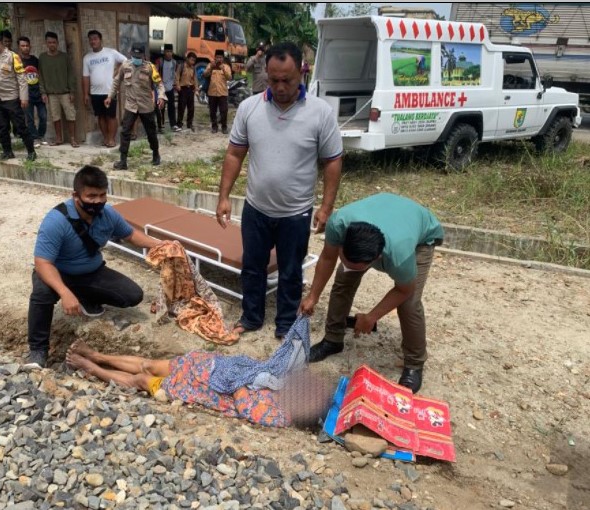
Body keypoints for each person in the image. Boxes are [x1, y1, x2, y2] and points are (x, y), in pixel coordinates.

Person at [215, 42, 343, 340]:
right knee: (252, 267)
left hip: (295, 213)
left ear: (301, 72)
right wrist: (223, 197)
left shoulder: (320, 113)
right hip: (256, 208)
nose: (280, 86)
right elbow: (235, 154)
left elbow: (332, 161)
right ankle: (251, 317)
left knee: (290, 272)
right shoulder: (250, 108)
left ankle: (285, 324)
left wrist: (326, 207)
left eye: (287, 80)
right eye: (274, 80)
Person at [299, 193, 445, 394]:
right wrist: (312, 296)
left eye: (358, 266)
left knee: (409, 304)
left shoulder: (400, 254)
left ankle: (414, 362)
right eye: (345, 257)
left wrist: (372, 317)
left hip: (421, 235)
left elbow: (404, 289)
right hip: (384, 213)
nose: (351, 266)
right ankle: (332, 340)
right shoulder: (338, 224)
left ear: (377, 259)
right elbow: (327, 258)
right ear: (343, 243)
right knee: (344, 277)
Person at [25, 165, 163, 369]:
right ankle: (38, 350)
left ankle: (86, 297)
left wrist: (161, 246)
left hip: (91, 271)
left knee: (132, 295)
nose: (97, 201)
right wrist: (64, 292)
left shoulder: (108, 213)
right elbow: (43, 262)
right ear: (76, 195)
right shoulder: (56, 221)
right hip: (57, 272)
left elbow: (131, 235)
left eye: (102, 195)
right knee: (41, 295)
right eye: (91, 196)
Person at [65, 337, 333, 428]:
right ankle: (96, 355)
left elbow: (243, 401)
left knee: (142, 380)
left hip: (202, 391)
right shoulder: (290, 383)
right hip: (207, 367)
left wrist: (250, 380)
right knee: (150, 363)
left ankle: (88, 366)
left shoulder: (279, 416)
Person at [0, 31, 36, 161]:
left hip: (11, 98)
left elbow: (22, 78)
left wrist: (24, 97)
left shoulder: (12, 57)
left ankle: (31, 151)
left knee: (20, 127)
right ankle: (7, 151)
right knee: (0, 127)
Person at [106, 43, 164, 168]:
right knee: (125, 132)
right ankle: (123, 161)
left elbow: (159, 84)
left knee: (151, 132)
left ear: (143, 55)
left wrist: (161, 96)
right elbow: (116, 81)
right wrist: (110, 96)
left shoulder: (150, 67)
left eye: (139, 56)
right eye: (134, 55)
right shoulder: (125, 66)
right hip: (130, 106)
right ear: (130, 53)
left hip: (146, 106)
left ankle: (156, 154)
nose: (136, 58)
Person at [82, 30, 126, 148]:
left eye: (95, 38)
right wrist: (86, 94)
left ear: (100, 40)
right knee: (100, 116)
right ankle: (106, 138)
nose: (93, 41)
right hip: (95, 92)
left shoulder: (111, 52)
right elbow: (86, 77)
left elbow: (126, 61)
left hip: (110, 91)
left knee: (111, 116)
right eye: (91, 39)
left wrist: (117, 70)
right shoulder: (87, 58)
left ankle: (112, 139)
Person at [38, 31, 79, 147]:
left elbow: (71, 74)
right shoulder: (42, 57)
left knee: (71, 115)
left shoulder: (64, 57)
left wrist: (72, 91)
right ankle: (59, 138)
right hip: (51, 93)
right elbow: (40, 76)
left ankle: (72, 139)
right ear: (46, 43)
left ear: (58, 43)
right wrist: (43, 92)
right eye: (49, 42)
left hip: (65, 92)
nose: (52, 44)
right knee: (55, 116)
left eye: (54, 42)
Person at [17, 36, 47, 146]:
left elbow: (41, 76)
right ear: (19, 47)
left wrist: (43, 92)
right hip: (26, 94)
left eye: (27, 45)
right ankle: (34, 138)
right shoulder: (17, 62)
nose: (25, 48)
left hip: (38, 92)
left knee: (43, 116)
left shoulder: (35, 60)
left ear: (30, 46)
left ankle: (41, 135)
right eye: (22, 46)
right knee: (29, 118)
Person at [203, 49, 231, 134]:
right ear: (215, 57)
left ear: (223, 58)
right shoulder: (210, 65)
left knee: (224, 111)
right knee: (212, 111)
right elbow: (204, 75)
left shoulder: (226, 66)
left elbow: (229, 77)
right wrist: (210, 68)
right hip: (212, 92)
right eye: (217, 57)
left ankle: (224, 127)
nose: (219, 59)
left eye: (221, 57)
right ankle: (214, 127)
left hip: (222, 92)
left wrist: (224, 70)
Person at [157, 43, 180, 132]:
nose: (169, 53)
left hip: (170, 88)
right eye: (167, 51)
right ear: (164, 52)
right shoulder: (160, 61)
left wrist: (175, 84)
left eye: (170, 51)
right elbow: (156, 72)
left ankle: (173, 125)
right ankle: (160, 126)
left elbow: (175, 74)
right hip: (162, 88)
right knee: (161, 108)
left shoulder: (174, 62)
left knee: (172, 107)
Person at [175, 51, 197, 131]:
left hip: (190, 89)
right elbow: (177, 76)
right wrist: (177, 85)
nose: (192, 62)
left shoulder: (193, 68)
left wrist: (196, 89)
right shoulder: (181, 66)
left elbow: (195, 79)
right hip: (183, 89)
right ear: (187, 59)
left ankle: (189, 123)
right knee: (181, 107)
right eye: (191, 60)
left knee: (191, 108)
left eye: (194, 61)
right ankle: (179, 124)